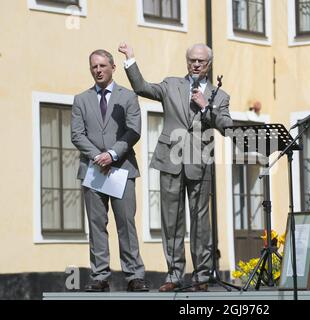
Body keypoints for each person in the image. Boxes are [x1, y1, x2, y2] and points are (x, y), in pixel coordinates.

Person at [118, 42, 233, 292]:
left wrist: (206, 106)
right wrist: (130, 58)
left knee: (201, 222)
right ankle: (174, 274)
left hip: (201, 162)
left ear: (209, 65)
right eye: (192, 59)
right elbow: (142, 87)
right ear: (186, 61)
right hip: (170, 159)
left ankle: (201, 277)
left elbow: (225, 126)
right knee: (171, 221)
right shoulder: (171, 85)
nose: (195, 64)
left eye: (200, 61)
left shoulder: (220, 96)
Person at [71, 49, 149, 292]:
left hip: (122, 169)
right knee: (96, 225)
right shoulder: (81, 99)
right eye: (94, 66)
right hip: (93, 169)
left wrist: (112, 153)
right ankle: (100, 276)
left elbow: (134, 130)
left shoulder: (128, 97)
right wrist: (98, 156)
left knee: (126, 223)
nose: (98, 70)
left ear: (113, 67)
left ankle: (134, 276)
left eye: (102, 65)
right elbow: (76, 134)